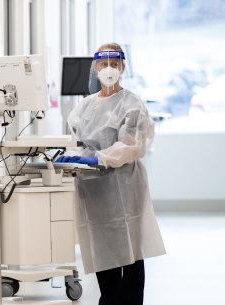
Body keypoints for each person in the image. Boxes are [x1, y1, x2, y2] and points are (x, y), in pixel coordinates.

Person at [56, 43, 166, 305]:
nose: (109, 70)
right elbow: (77, 141)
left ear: (122, 68)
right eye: (103, 64)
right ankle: (108, 299)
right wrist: (75, 158)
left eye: (114, 64)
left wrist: (100, 158)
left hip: (125, 186)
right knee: (102, 247)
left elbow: (132, 145)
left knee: (130, 250)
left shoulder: (132, 104)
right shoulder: (84, 107)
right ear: (95, 67)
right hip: (93, 188)